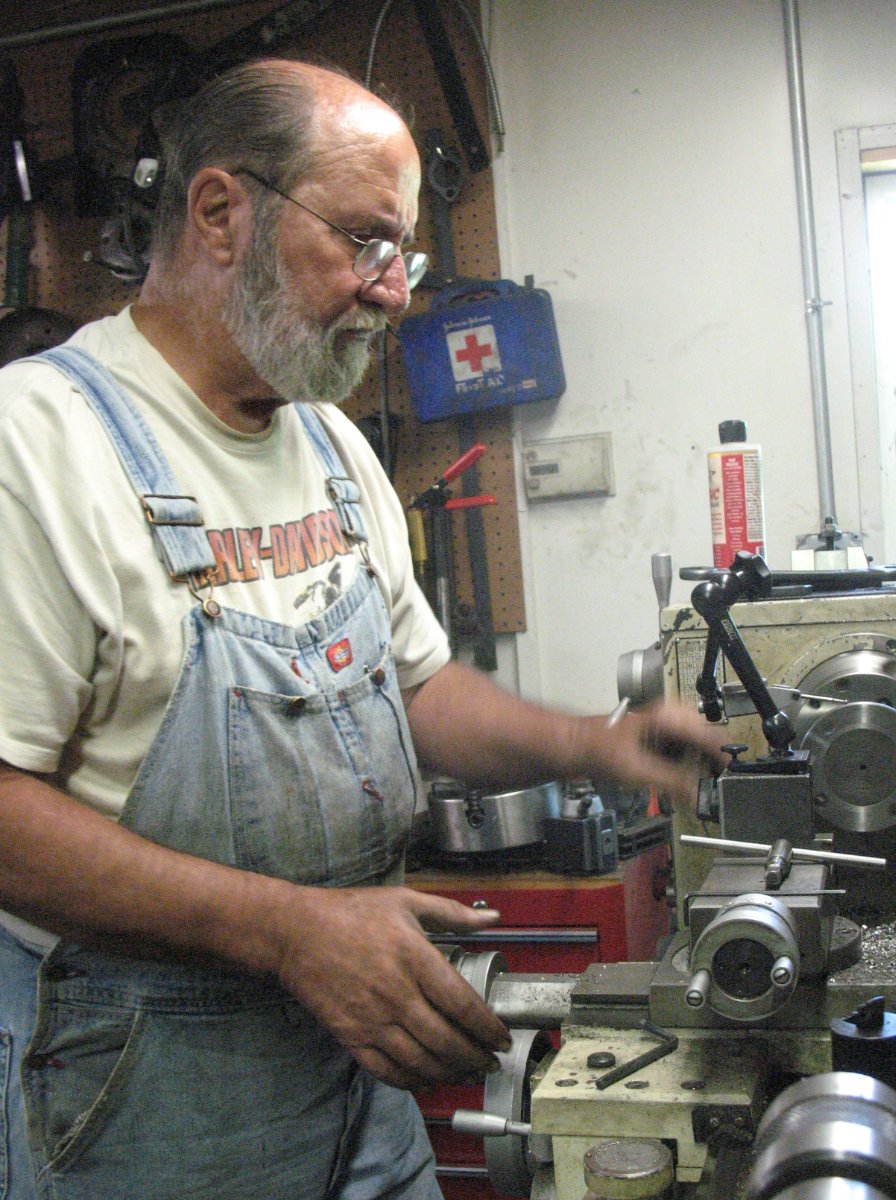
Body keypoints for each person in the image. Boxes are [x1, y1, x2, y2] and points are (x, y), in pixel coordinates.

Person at [0, 57, 726, 1200]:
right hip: (144, 1099)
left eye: (406, 256)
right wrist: (290, 932)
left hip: (355, 1077)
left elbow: (415, 686)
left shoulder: (329, 446)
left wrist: (590, 742)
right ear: (220, 213)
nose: (393, 293)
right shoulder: (40, 445)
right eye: (365, 242)